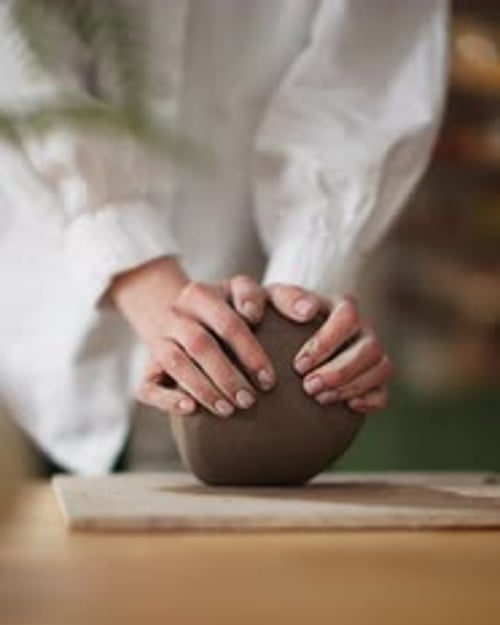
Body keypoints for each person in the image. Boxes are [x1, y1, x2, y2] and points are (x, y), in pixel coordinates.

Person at [0, 0, 449, 474]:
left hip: (261, 266)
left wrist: (297, 316)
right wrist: (137, 269)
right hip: (45, 332)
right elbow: (19, 59)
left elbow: (368, 75)